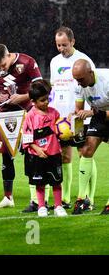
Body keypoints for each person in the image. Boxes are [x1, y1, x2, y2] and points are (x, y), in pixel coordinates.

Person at [0, 44, 43, 209]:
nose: (1, 69)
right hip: (5, 115)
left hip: (27, 112)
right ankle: (8, 198)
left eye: (3, 65)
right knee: (5, 155)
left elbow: (40, 89)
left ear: (8, 55)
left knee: (31, 153)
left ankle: (36, 198)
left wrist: (23, 97)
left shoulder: (27, 62)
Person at [49, 27, 96, 210]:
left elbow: (91, 89)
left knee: (85, 154)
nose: (61, 48)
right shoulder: (54, 62)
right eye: (58, 45)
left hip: (79, 117)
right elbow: (54, 90)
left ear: (73, 42)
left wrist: (86, 112)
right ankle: (66, 199)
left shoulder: (83, 60)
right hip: (61, 119)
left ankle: (88, 198)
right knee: (64, 157)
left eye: (65, 45)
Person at [22, 80, 67, 217]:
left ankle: (58, 206)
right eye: (42, 100)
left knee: (56, 182)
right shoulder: (30, 116)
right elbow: (27, 138)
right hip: (37, 155)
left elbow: (61, 132)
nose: (46, 102)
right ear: (33, 101)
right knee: (40, 183)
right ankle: (42, 207)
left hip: (54, 154)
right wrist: (37, 149)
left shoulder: (55, 114)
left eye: (47, 98)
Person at [70, 60, 109, 215]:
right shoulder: (79, 85)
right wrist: (73, 119)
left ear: (90, 73)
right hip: (99, 115)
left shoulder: (106, 81)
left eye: (81, 79)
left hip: (103, 113)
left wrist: (92, 113)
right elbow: (79, 109)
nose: (78, 83)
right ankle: (82, 199)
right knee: (86, 150)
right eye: (76, 80)